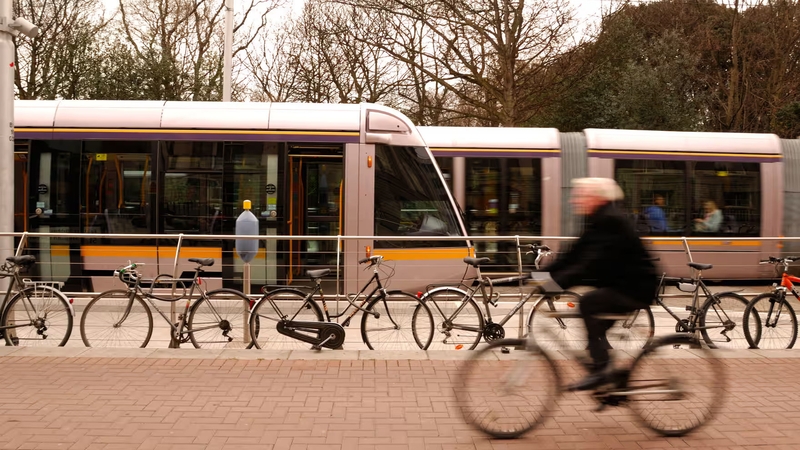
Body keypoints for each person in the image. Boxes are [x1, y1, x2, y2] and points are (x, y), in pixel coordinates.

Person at [543, 178, 659, 391]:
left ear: (596, 198)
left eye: (579, 196)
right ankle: (615, 379)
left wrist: (552, 286)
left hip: (636, 288)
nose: (573, 201)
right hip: (623, 285)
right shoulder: (599, 219)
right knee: (595, 327)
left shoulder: (610, 220)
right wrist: (537, 277)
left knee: (588, 303)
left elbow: (588, 264)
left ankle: (601, 372)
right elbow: (572, 255)